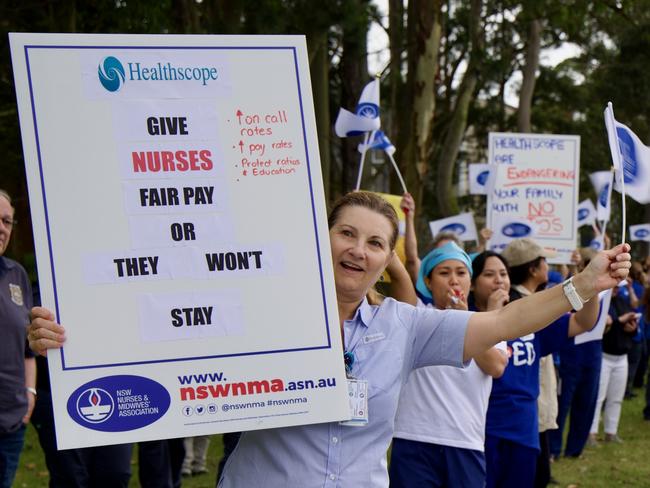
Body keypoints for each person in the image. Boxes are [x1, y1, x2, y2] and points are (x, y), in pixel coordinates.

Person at [28, 192, 632, 488]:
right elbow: (155, 329)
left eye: (375, 242)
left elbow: (502, 325)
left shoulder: (407, 325)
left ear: (385, 258)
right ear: (324, 239)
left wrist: (581, 284)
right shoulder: (260, 311)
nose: (359, 249)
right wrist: (64, 335)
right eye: (347, 232)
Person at [484, 238, 603, 488]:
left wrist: (592, 287)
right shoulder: (469, 316)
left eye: (503, 273)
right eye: (489, 274)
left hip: (525, 430)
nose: (499, 280)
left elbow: (582, 323)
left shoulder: (533, 316)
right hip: (485, 430)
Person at [390, 249, 508, 487]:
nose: (454, 280)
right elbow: (399, 275)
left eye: (461, 273)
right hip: (413, 439)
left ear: (470, 281)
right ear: (427, 282)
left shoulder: (488, 323)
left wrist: (463, 320)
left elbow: (496, 366)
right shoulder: (417, 316)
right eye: (444, 273)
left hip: (465, 443)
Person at [548, 248, 605, 459]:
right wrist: (572, 269)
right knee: (562, 403)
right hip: (570, 352)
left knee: (587, 400)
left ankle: (575, 448)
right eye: (586, 264)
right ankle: (554, 448)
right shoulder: (568, 284)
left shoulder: (606, 286)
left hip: (593, 351)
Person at [0, 189, 36, 488]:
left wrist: (31, 393)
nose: (2, 228)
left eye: (7, 221)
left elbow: (28, 347)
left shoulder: (16, 275)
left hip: (11, 424)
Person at [589, 281, 638, 444]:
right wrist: (618, 322)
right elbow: (599, 328)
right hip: (605, 355)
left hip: (621, 356)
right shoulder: (601, 302)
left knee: (616, 397)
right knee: (598, 396)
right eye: (614, 286)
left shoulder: (622, 302)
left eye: (618, 287)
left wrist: (633, 328)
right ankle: (592, 433)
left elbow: (630, 322)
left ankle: (611, 431)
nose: (616, 289)